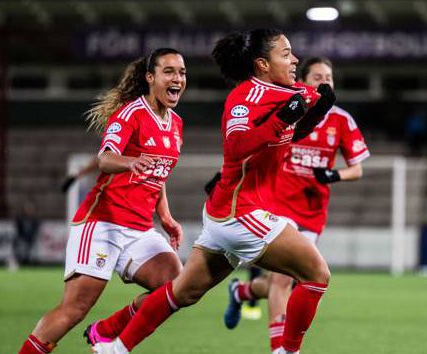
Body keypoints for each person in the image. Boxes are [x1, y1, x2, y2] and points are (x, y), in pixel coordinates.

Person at [95, 28, 335, 354]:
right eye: (286, 53)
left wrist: (315, 113)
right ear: (262, 64)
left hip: (227, 212)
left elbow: (291, 132)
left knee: (182, 293)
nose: (294, 59)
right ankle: (286, 352)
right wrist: (283, 117)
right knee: (317, 274)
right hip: (241, 213)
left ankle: (114, 347)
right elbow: (237, 147)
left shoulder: (294, 91)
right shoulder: (245, 98)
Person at [18, 47, 187, 354]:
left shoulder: (175, 124)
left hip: (139, 229)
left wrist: (166, 217)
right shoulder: (131, 114)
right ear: (150, 77)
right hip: (103, 224)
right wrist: (130, 161)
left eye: (182, 72)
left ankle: (107, 330)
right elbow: (105, 158)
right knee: (73, 310)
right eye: (169, 71)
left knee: (177, 285)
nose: (177, 78)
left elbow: (158, 174)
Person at [222, 57, 370, 353]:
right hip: (277, 204)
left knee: (284, 282)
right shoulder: (289, 110)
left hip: (313, 212)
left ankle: (242, 291)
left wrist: (333, 174)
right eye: (317, 77)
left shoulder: (341, 120)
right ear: (304, 81)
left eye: (329, 76)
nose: (324, 81)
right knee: (282, 281)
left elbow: (358, 168)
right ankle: (280, 348)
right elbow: (260, 145)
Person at [13, 199, 41, 266]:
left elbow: (36, 230)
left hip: (31, 239)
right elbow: (18, 229)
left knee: (31, 247)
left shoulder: (34, 220)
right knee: (18, 244)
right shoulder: (20, 218)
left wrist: (31, 237)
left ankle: (29, 262)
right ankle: (19, 260)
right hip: (22, 238)